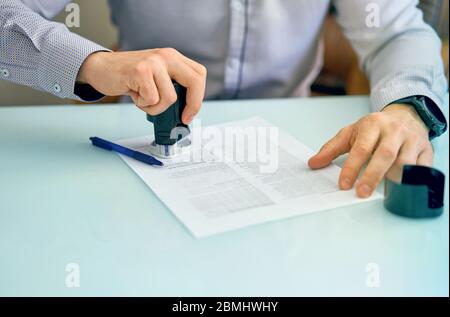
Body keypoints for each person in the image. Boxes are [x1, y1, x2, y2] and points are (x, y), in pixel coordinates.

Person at [0, 0, 447, 198]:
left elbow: (397, 32)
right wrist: (94, 64)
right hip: (138, 148)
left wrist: (409, 106)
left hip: (297, 153)